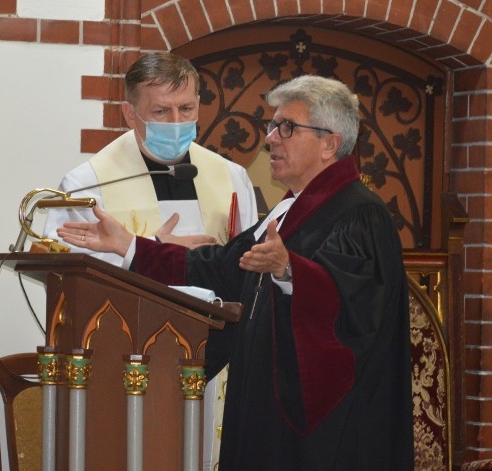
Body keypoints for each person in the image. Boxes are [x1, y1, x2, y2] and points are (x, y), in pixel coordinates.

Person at [56, 75, 414, 470]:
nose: (271, 139)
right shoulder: (290, 209)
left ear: (330, 143)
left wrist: (291, 271)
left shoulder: (359, 214)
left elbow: (359, 308)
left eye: (287, 128)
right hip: (267, 409)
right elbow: (218, 267)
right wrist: (129, 245)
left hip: (328, 432)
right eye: (272, 126)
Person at [42, 51, 258, 265]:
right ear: (130, 114)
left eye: (186, 108)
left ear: (198, 105)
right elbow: (67, 266)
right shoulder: (87, 185)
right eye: (161, 111)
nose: (175, 122)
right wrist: (151, 248)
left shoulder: (232, 178)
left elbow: (250, 263)